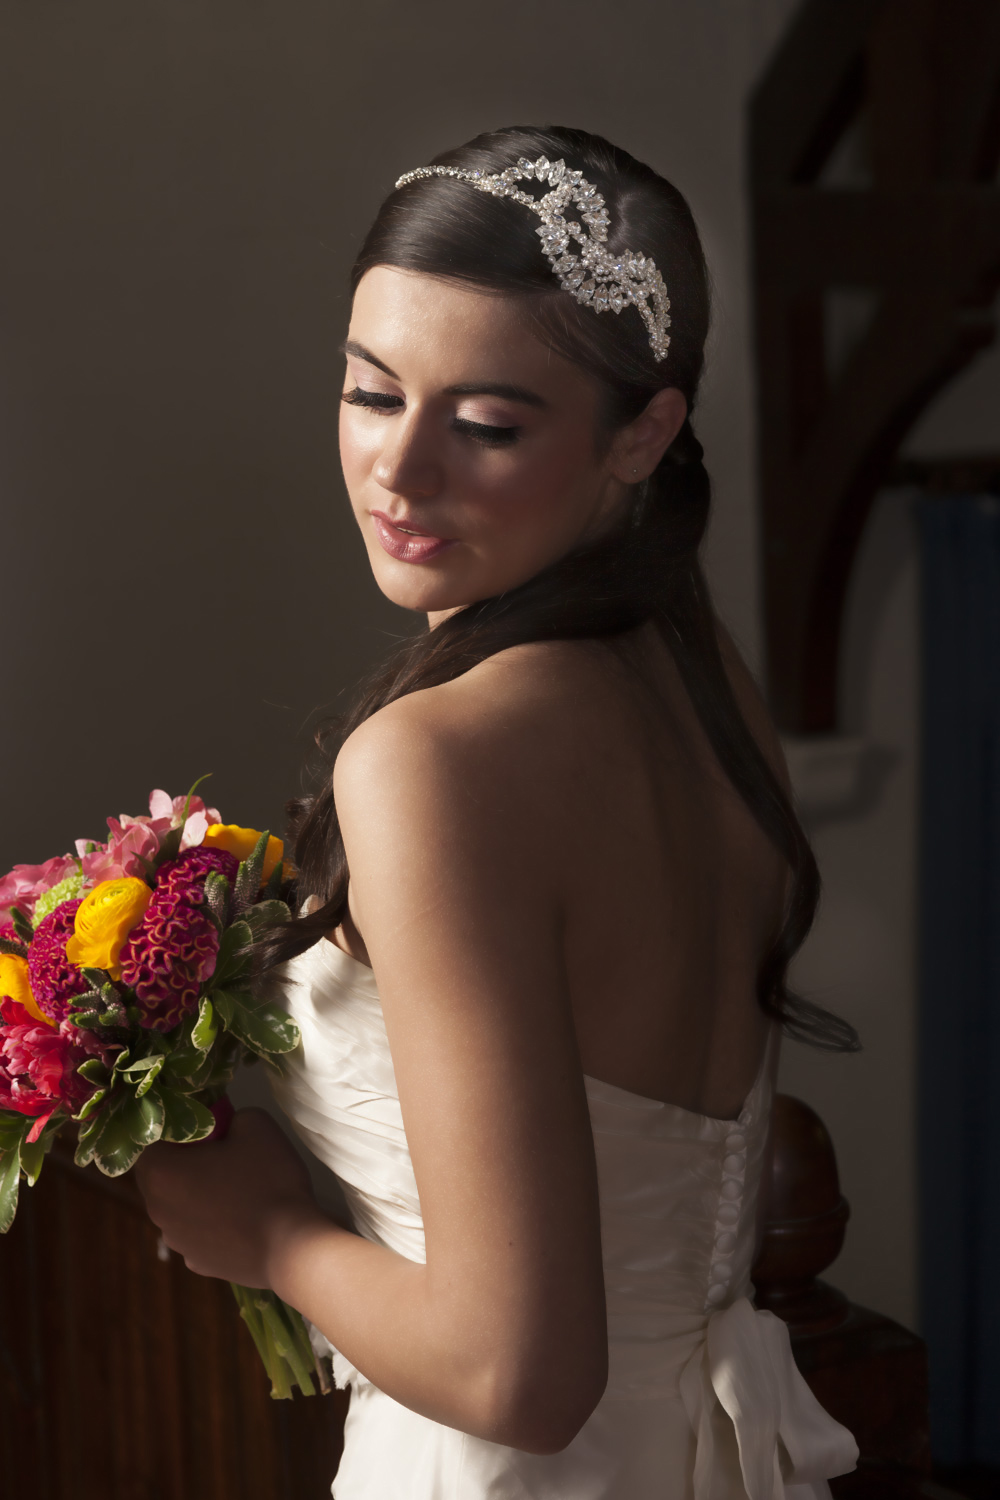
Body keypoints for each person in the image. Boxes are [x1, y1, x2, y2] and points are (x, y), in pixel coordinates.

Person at [137, 125, 861, 1499]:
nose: (400, 473)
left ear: (645, 429)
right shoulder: (707, 685)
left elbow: (519, 1375)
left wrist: (271, 1234)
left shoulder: (432, 763)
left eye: (486, 425)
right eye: (369, 393)